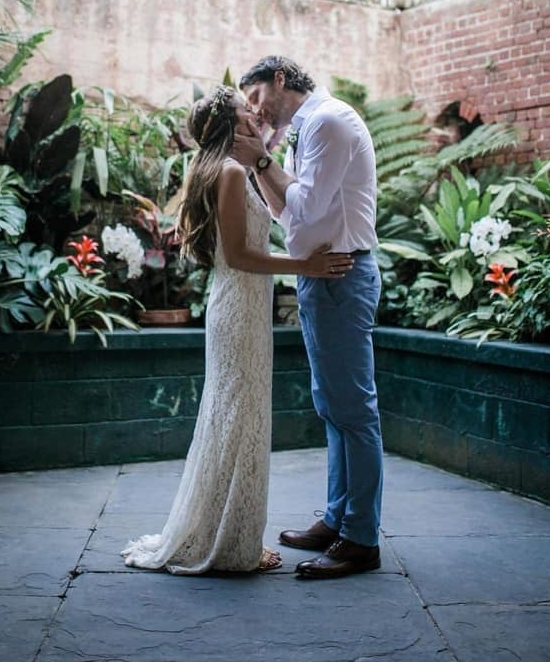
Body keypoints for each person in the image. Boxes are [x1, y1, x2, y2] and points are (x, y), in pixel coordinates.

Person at [121, 85, 354, 575]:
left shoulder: (237, 168)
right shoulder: (228, 173)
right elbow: (241, 256)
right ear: (231, 123)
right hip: (237, 307)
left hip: (247, 307)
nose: (254, 111)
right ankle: (229, 544)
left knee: (239, 419)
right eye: (244, 108)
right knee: (235, 420)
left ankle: (230, 536)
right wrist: (305, 266)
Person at [234, 56, 383, 580]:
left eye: (254, 98)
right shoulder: (305, 129)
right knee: (333, 405)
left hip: (341, 276)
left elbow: (310, 207)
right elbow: (286, 212)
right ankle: (338, 518)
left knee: (354, 411)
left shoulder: (328, 121)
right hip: (321, 277)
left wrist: (259, 160)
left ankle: (361, 538)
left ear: (280, 79)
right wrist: (262, 164)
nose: (254, 112)